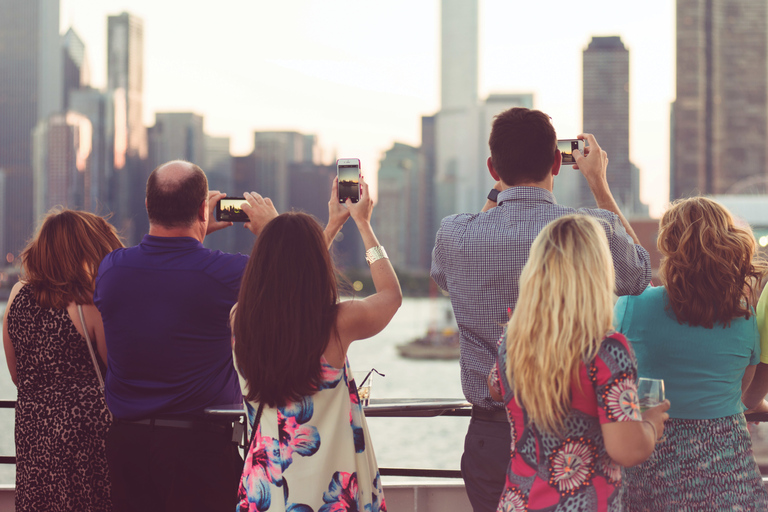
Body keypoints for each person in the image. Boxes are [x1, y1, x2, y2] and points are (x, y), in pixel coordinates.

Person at [430, 107, 652, 511]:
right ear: (556, 162)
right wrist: (599, 184)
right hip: (585, 436)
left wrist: (497, 192)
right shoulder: (588, 230)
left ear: (492, 168)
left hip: (492, 435)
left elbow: (447, 280)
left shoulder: (455, 234)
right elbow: (638, 275)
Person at [94, 160, 286, 512]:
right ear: (203, 209)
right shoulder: (226, 274)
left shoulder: (112, 269)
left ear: (148, 205)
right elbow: (301, 282)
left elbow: (167, 270)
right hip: (197, 451)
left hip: (127, 447)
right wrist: (274, 231)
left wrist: (196, 231)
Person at [233, 175, 401, 511]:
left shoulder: (240, 319)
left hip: (267, 488)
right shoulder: (338, 323)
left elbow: (288, 276)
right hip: (330, 493)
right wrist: (362, 224)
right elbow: (391, 296)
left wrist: (327, 228)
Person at [488, 215, 669, 510]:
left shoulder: (513, 341)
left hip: (518, 502)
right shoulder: (607, 351)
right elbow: (626, 450)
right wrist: (649, 425)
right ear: (598, 273)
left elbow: (496, 387)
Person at [615, 196, 768, 511]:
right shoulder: (744, 318)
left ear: (669, 248)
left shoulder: (633, 305)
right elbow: (743, 396)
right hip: (728, 479)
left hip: (650, 467)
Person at [3, 209, 123, 511]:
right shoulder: (87, 301)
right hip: (86, 440)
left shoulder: (17, 295)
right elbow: (120, 372)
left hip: (32, 435)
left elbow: (17, 375)